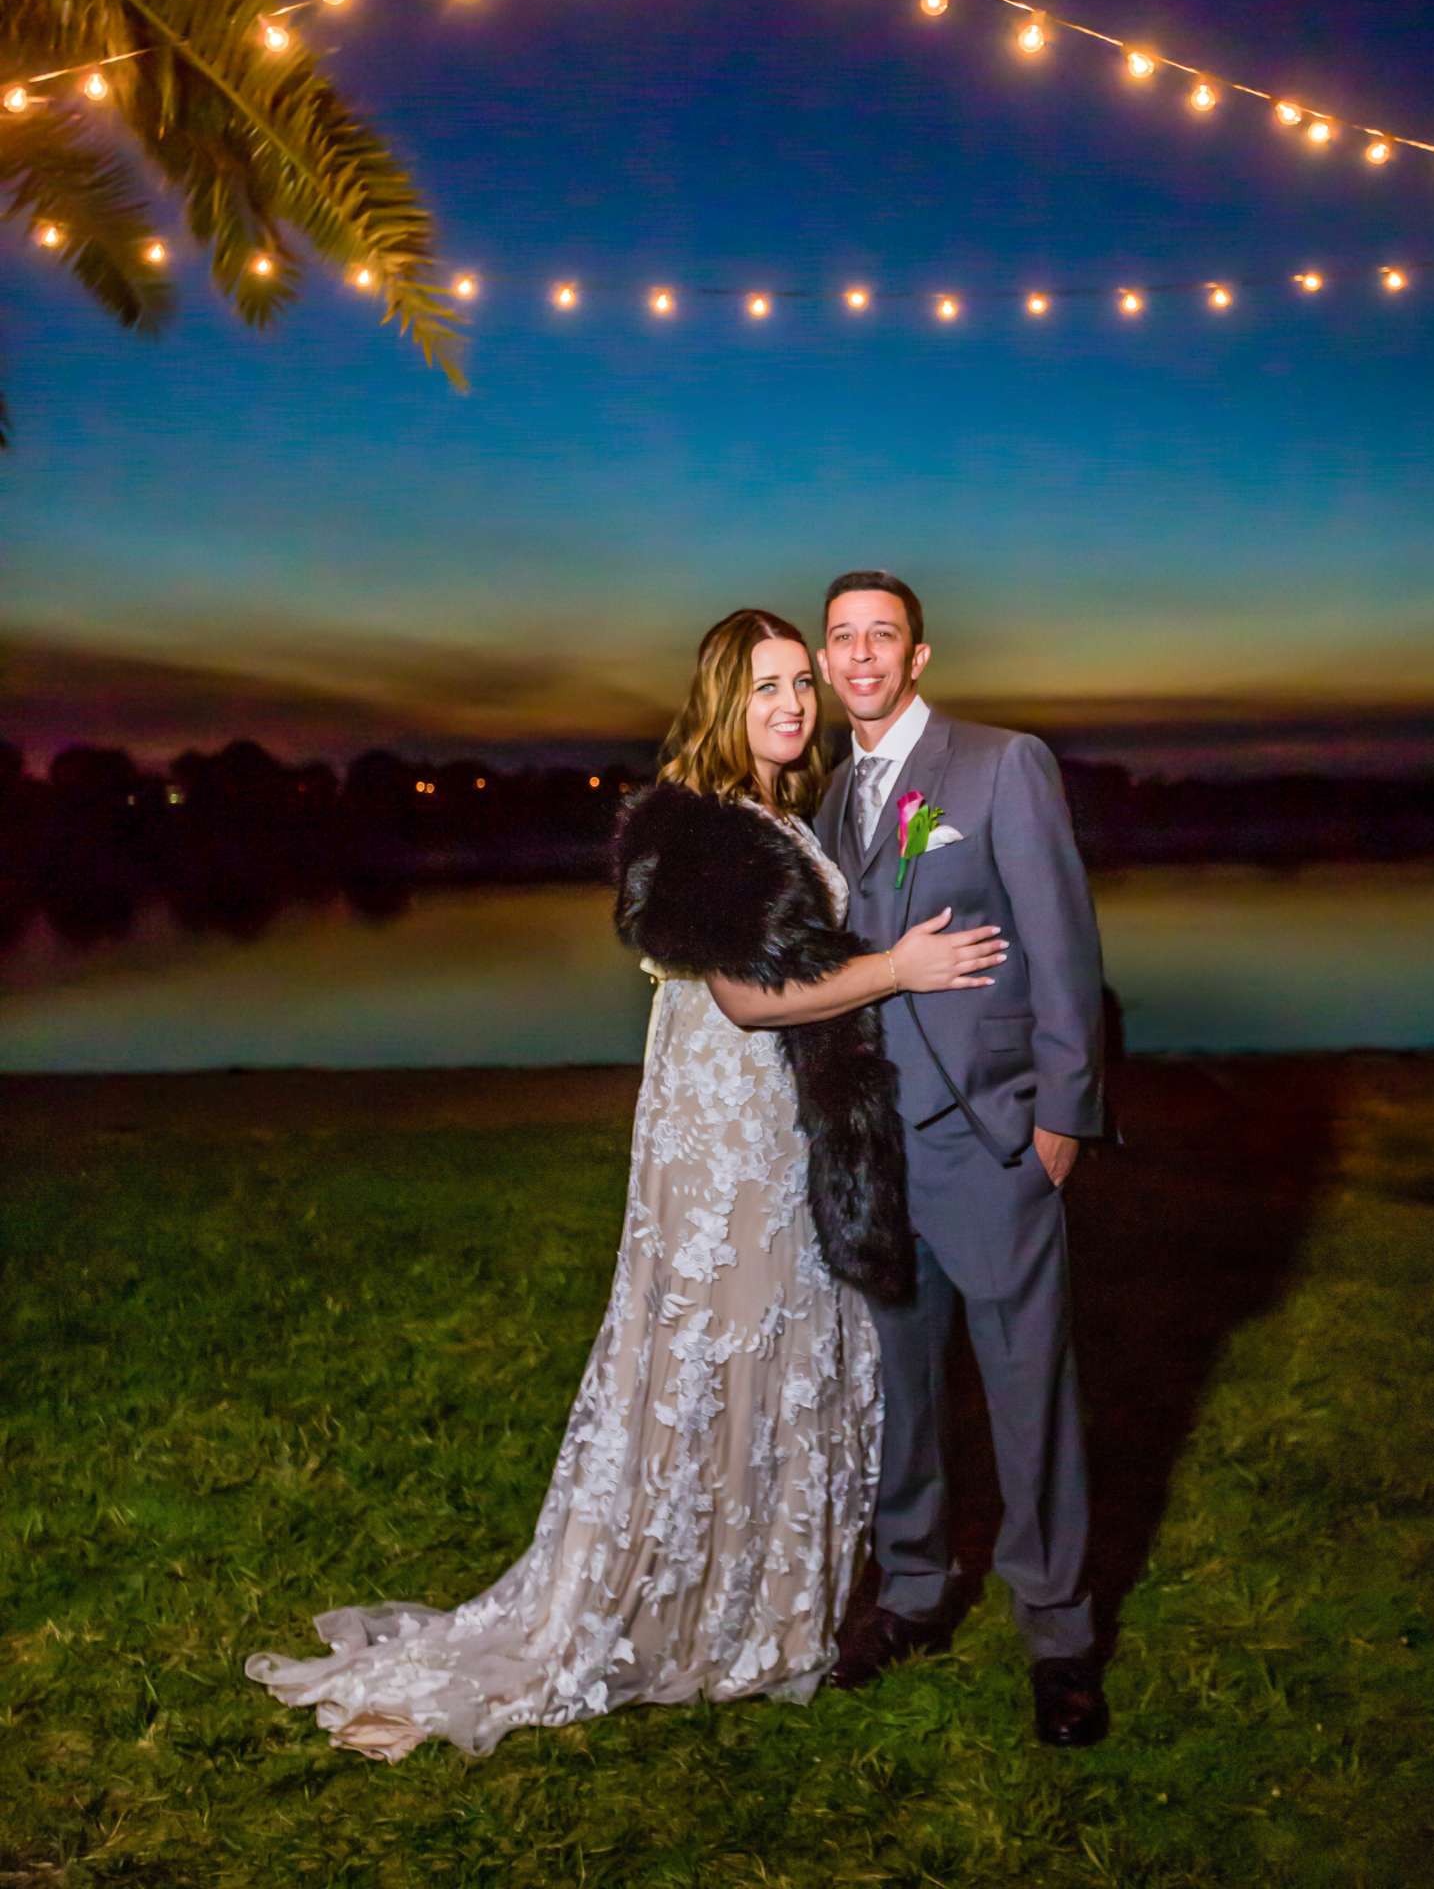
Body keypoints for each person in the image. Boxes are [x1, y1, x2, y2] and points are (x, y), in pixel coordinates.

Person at [246, 607, 1004, 1759]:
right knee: (724, 1338)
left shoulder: (771, 812)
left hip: (772, 1112)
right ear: (718, 700)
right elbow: (750, 1000)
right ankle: (696, 1606)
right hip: (734, 1119)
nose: (794, 703)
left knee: (783, 1338)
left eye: (801, 682)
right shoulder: (705, 826)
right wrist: (897, 968)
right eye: (765, 687)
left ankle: (768, 1599)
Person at [812, 570, 1120, 1750]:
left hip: (990, 1133)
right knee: (901, 1388)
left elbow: (1062, 939)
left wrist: (1060, 1115)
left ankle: (1057, 1635)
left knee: (1027, 1389)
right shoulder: (836, 793)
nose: (860, 655)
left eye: (881, 635)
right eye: (841, 637)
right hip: (871, 1142)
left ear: (919, 656)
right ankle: (912, 1593)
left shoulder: (1000, 763)